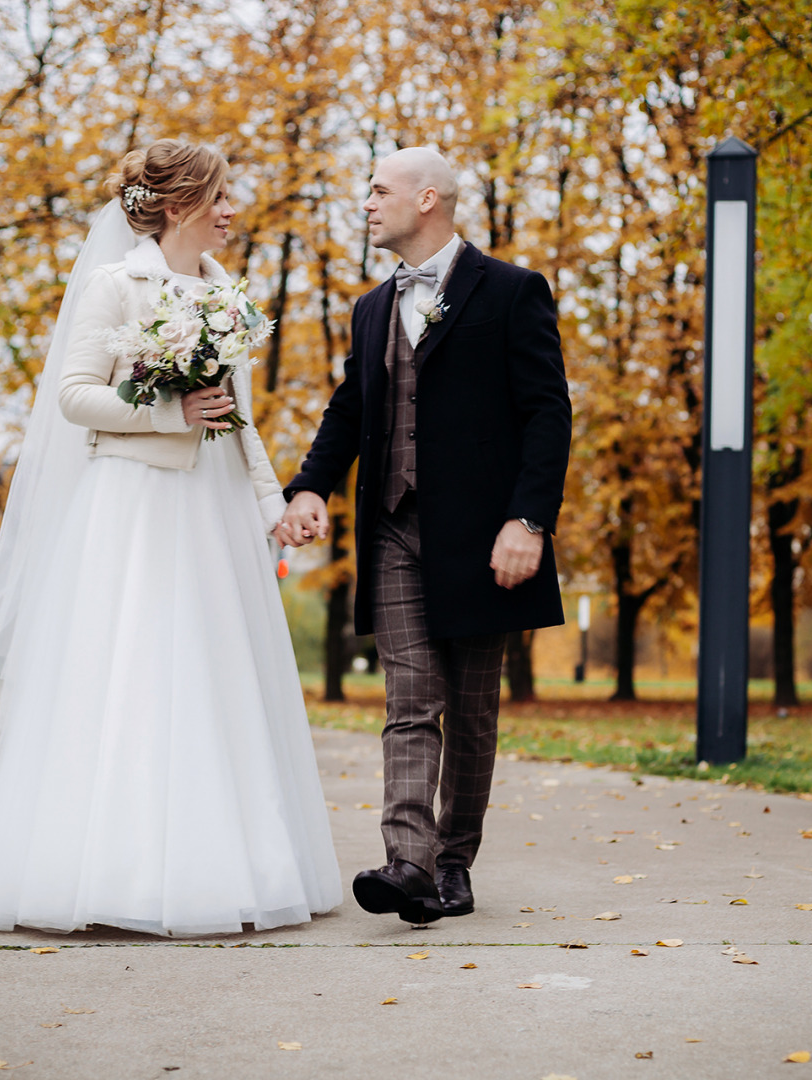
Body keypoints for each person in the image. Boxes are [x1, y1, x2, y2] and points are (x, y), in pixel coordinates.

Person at [0, 140, 342, 936]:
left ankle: (231, 864)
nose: (232, 210)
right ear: (176, 204)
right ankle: (110, 875)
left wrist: (273, 501)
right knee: (131, 672)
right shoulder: (115, 284)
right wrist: (166, 413)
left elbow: (233, 414)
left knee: (215, 673)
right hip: (133, 504)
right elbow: (74, 396)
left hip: (212, 507)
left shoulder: (224, 289)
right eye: (219, 197)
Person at [278, 147, 570, 924]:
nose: (367, 204)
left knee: (471, 712)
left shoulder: (511, 291)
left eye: (379, 191)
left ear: (428, 198)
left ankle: (452, 862)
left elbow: (547, 411)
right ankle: (406, 862)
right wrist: (310, 483)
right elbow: (353, 407)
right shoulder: (372, 307)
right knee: (410, 700)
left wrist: (529, 519)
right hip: (394, 532)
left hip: (485, 539)